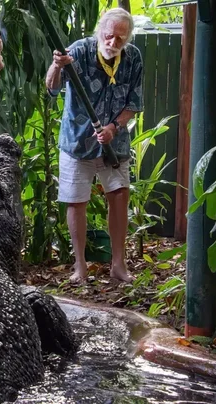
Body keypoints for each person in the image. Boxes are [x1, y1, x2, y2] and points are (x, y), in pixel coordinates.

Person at [45, 8, 143, 283]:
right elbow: (51, 88)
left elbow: (134, 103)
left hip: (115, 142)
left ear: (128, 39)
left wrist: (114, 127)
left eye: (120, 39)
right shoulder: (79, 51)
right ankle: (80, 267)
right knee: (76, 201)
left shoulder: (133, 57)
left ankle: (118, 265)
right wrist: (57, 65)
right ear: (99, 31)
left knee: (120, 195)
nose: (113, 43)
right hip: (77, 141)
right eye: (109, 36)